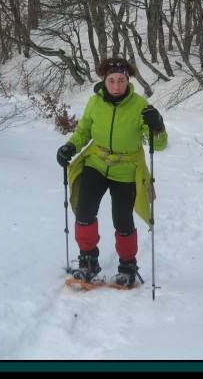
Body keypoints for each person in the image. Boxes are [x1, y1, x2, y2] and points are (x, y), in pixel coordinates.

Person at [56, 57, 168, 288]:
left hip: (126, 169)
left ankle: (127, 267)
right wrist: (70, 146)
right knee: (84, 210)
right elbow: (83, 131)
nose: (116, 85)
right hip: (96, 162)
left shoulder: (140, 106)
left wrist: (158, 126)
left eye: (120, 80)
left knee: (122, 219)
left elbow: (158, 145)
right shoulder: (95, 103)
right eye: (111, 80)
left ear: (128, 80)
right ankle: (88, 262)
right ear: (104, 81)